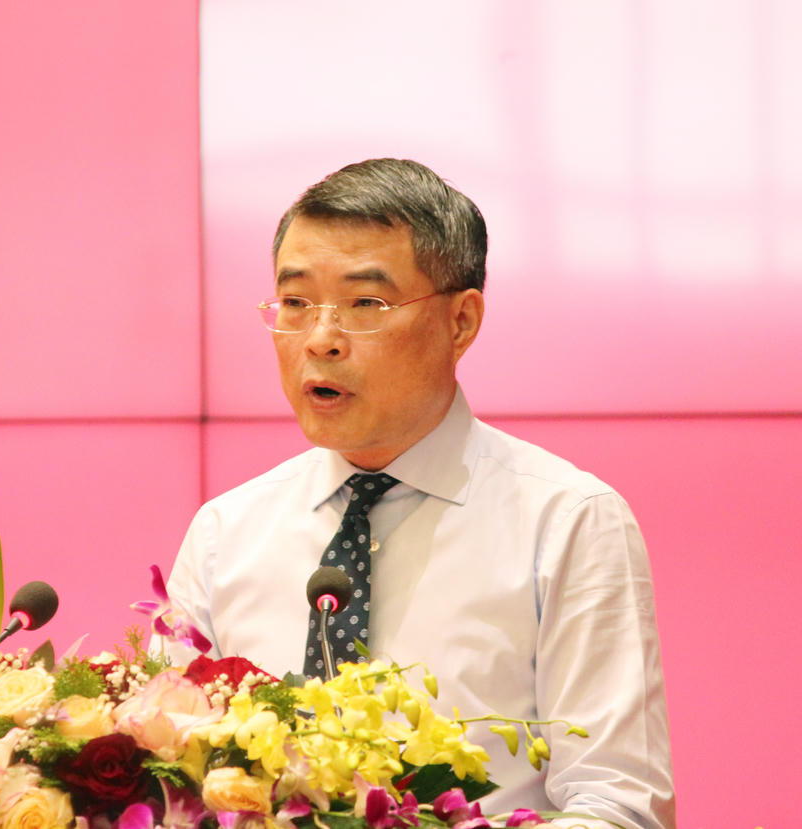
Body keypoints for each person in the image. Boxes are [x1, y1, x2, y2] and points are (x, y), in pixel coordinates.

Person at [163, 159, 676, 829]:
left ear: (461, 321)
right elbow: (165, 782)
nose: (320, 339)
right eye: (295, 303)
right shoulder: (225, 533)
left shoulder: (565, 522)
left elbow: (620, 807)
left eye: (365, 304)